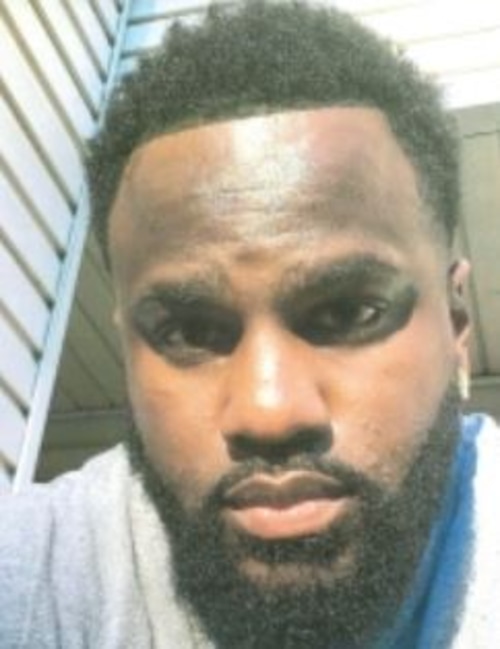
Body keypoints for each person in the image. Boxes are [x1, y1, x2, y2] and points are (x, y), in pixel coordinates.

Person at [1, 1, 499, 647]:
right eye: (188, 332)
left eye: (348, 312)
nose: (270, 412)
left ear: (456, 325)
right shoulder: (38, 575)